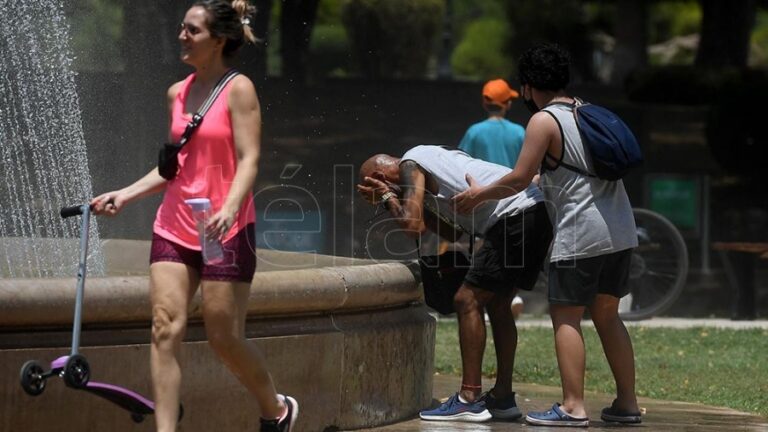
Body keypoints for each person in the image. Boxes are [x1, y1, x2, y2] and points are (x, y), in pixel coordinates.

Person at [90, 2, 298, 431]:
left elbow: (249, 159)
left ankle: (275, 409)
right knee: (165, 327)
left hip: (226, 226)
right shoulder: (177, 93)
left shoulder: (239, 89)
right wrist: (125, 194)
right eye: (183, 29)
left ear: (218, 39)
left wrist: (228, 206)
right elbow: (173, 169)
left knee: (223, 337)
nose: (182, 36)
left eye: (193, 30)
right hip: (175, 223)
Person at [453, 43, 642, 427]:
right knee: (608, 315)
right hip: (620, 229)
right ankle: (627, 404)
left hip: (581, 233)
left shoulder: (544, 120)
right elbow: (565, 170)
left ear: (526, 87)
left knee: (566, 315)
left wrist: (479, 195)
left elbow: (520, 178)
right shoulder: (585, 111)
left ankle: (573, 406)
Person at [357, 145, 552, 423]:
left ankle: (469, 399)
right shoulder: (429, 163)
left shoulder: (410, 163)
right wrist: (404, 199)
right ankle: (502, 398)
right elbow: (451, 230)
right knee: (498, 305)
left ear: (378, 176)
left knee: (466, 300)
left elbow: (411, 226)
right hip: (535, 212)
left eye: (376, 190)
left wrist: (388, 197)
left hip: (514, 214)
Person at [459, 78, 527, 319]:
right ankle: (512, 294)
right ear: (507, 103)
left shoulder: (474, 132)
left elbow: (462, 162)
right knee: (512, 249)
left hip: (483, 196)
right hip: (515, 197)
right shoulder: (519, 131)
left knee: (483, 246)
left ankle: (486, 293)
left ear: (485, 103)